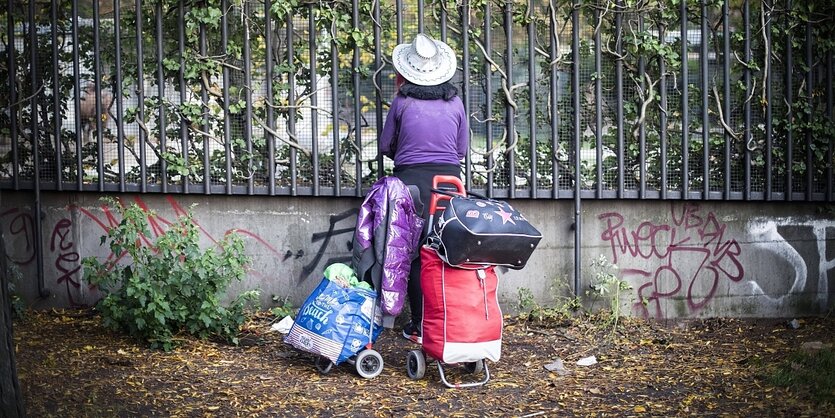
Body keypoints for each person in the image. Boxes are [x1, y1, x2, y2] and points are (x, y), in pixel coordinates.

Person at [378, 33, 469, 343]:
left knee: (416, 254)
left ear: (407, 71)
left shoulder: (402, 101)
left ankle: (418, 327)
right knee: (446, 252)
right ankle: (451, 324)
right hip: (450, 186)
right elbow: (461, 150)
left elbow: (385, 145)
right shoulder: (455, 102)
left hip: (410, 184)